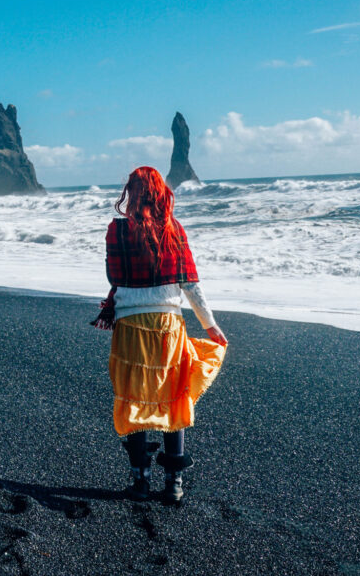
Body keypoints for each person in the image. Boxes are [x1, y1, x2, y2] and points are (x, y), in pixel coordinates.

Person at [92, 166, 228, 504]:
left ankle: (140, 482)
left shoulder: (116, 231)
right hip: (168, 324)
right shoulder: (175, 231)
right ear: (161, 194)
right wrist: (210, 326)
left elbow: (114, 277)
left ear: (132, 194)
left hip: (129, 325)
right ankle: (174, 484)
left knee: (134, 398)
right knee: (173, 396)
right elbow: (190, 285)